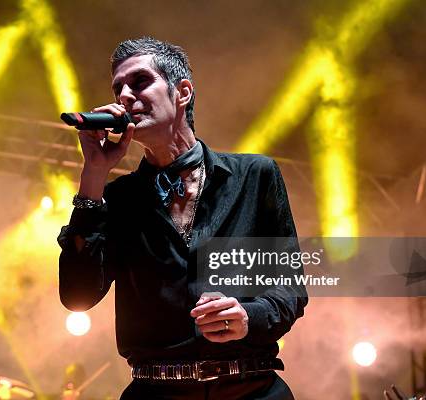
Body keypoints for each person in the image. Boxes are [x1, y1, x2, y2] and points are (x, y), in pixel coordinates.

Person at [58, 37, 307, 399]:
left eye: (140, 82)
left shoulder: (255, 176)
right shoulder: (117, 199)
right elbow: (77, 296)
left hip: (251, 389)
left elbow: (290, 289)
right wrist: (94, 175)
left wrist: (248, 316)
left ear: (182, 93)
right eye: (118, 88)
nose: (125, 95)